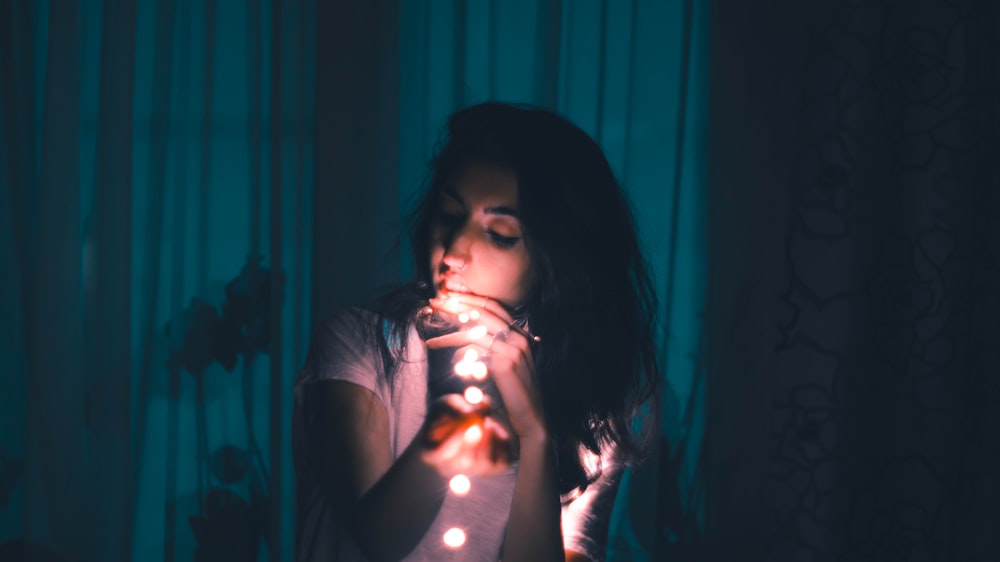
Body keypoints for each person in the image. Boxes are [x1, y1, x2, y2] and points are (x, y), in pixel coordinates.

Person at [293, 102, 659, 561]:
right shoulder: (358, 344)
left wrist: (535, 433)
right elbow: (376, 541)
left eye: (500, 233)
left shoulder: (593, 407)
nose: (455, 251)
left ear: (561, 263)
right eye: (449, 215)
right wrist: (440, 450)